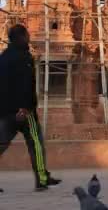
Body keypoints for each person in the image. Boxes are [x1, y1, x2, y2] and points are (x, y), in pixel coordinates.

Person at [0, 24, 62, 191]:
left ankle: (44, 177)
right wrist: (23, 107)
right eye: (27, 34)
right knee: (36, 144)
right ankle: (42, 179)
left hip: (5, 112)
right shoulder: (23, 57)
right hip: (24, 112)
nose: (29, 36)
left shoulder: (4, 57)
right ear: (21, 37)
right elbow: (24, 85)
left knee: (1, 144)